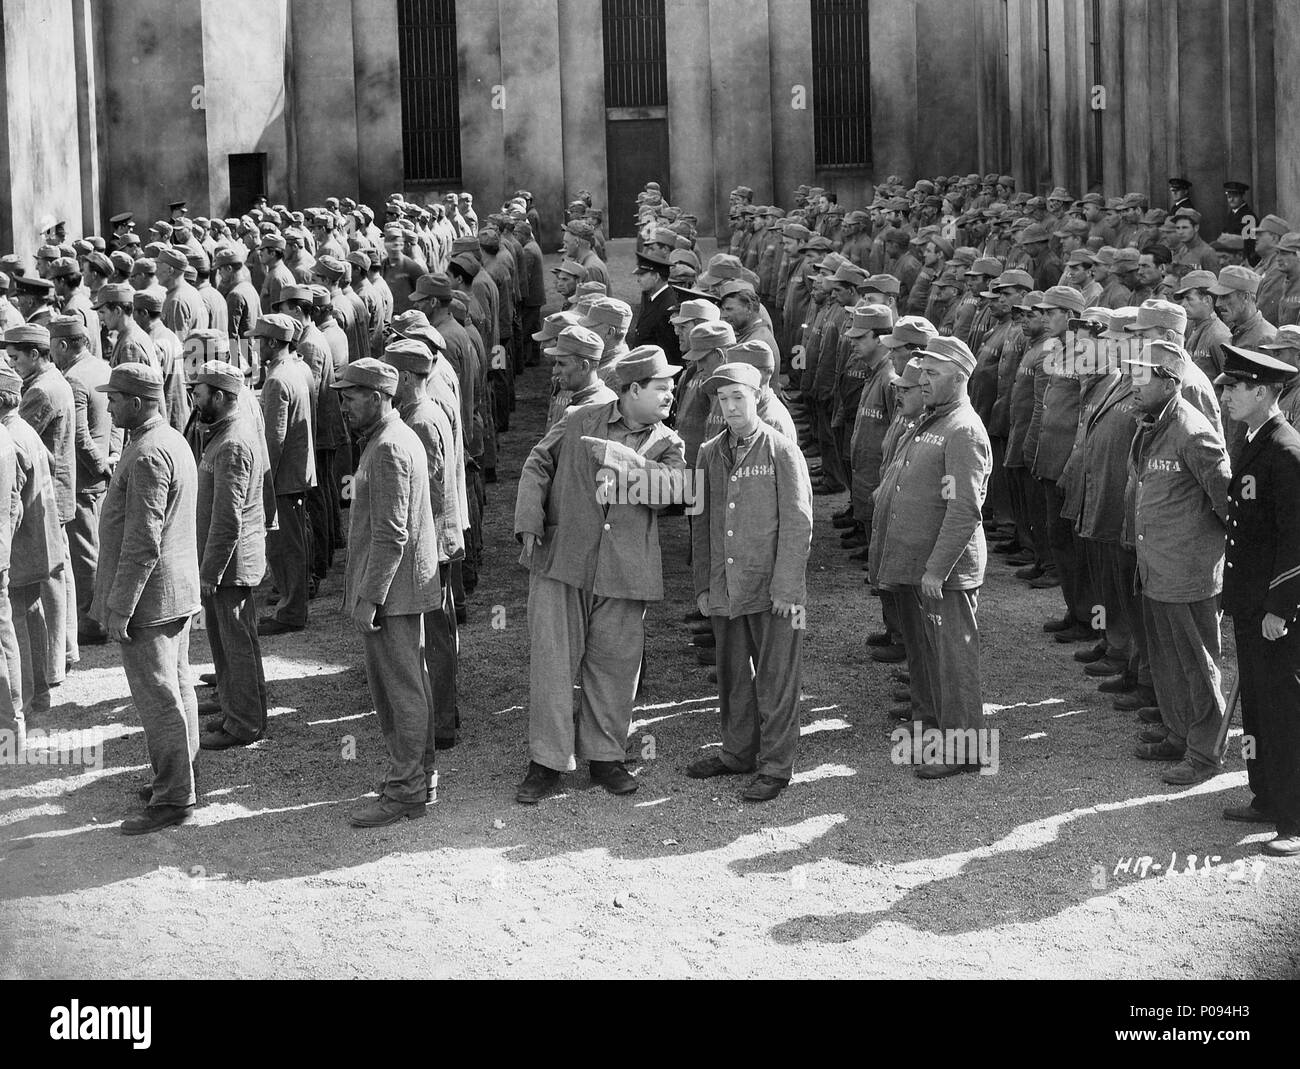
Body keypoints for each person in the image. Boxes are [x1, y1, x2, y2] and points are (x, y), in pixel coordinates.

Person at [514, 346, 686, 804]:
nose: (671, 396)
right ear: (633, 390)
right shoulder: (578, 419)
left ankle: (606, 758)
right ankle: (546, 763)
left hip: (625, 572)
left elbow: (676, 494)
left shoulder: (669, 443)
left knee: (615, 667)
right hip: (563, 561)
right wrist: (529, 519)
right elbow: (538, 462)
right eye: (663, 389)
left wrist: (623, 459)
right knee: (553, 664)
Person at [686, 362, 812, 801]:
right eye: (723, 399)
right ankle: (737, 753)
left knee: (777, 679)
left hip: (772, 589)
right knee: (733, 675)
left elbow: (798, 524)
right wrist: (703, 584)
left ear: (758, 396)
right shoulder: (708, 453)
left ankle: (776, 766)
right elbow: (700, 524)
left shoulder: (780, 450)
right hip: (726, 586)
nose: (731, 406)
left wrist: (787, 588)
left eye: (739, 396)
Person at [868, 335, 993, 777]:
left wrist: (937, 569)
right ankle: (931, 733)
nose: (923, 381)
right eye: (924, 372)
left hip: (943, 572)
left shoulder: (962, 430)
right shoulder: (934, 420)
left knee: (952, 661)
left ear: (959, 378)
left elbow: (964, 510)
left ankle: (966, 751)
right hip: (918, 566)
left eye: (933, 374)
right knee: (924, 657)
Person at [333, 357, 442, 828]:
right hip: (399, 589)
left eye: (351, 396)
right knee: (409, 686)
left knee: (399, 693)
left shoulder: (389, 448)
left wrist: (369, 596)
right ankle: (420, 778)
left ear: (377, 397)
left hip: (392, 594)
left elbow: (391, 534)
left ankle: (406, 791)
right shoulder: (388, 439)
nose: (343, 405)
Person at [93, 363, 201, 835]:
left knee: (159, 699)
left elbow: (142, 541)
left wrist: (120, 606)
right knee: (177, 691)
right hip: (173, 594)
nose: (109, 405)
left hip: (151, 602)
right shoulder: (169, 439)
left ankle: (173, 797)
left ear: (137, 402)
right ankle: (180, 777)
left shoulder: (148, 454)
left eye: (114, 398)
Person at [1124, 340, 1231, 785]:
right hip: (1157, 566)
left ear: (1169, 381)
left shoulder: (1192, 430)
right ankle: (1177, 732)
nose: (1133, 383)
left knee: (1198, 664)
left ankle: (1205, 753)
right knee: (1167, 658)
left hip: (1188, 572)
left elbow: (1227, 502)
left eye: (1142, 375)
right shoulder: (1151, 424)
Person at [1215, 345, 1300, 856]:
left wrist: (1280, 607)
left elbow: (1297, 539)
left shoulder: (1287, 452)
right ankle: (1266, 795)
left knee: (1285, 710)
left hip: (1276, 609)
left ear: (1264, 392)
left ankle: (1294, 817)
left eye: (1233, 387)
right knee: (1260, 709)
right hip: (1251, 601)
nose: (1225, 395)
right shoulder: (1256, 439)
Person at [190, 360, 270, 750]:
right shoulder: (223, 434)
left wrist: (210, 571)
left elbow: (227, 519)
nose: (194, 399)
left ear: (219, 397)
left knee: (236, 644)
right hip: (227, 562)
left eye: (199, 393)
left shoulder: (233, 442)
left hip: (230, 563)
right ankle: (236, 708)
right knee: (231, 641)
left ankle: (243, 723)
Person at [50, 316, 116, 647]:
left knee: (85, 553)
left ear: (63, 345)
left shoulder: (74, 379)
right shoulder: (102, 368)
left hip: (84, 479)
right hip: (100, 476)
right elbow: (114, 424)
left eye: (52, 346)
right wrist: (111, 459)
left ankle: (92, 623)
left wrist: (101, 467)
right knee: (98, 547)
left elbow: (79, 437)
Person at [256, 313, 316, 635]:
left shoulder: (277, 379)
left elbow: (273, 441)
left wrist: (263, 482)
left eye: (260, 340)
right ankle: (292, 606)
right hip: (297, 472)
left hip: (283, 478)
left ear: (272, 342)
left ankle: (291, 612)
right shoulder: (296, 369)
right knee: (293, 545)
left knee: (284, 547)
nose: (256, 346)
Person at [626, 249, 681, 359]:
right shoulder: (650, 298)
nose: (638, 280)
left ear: (656, 277)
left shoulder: (668, 307)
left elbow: (669, 351)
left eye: (642, 275)